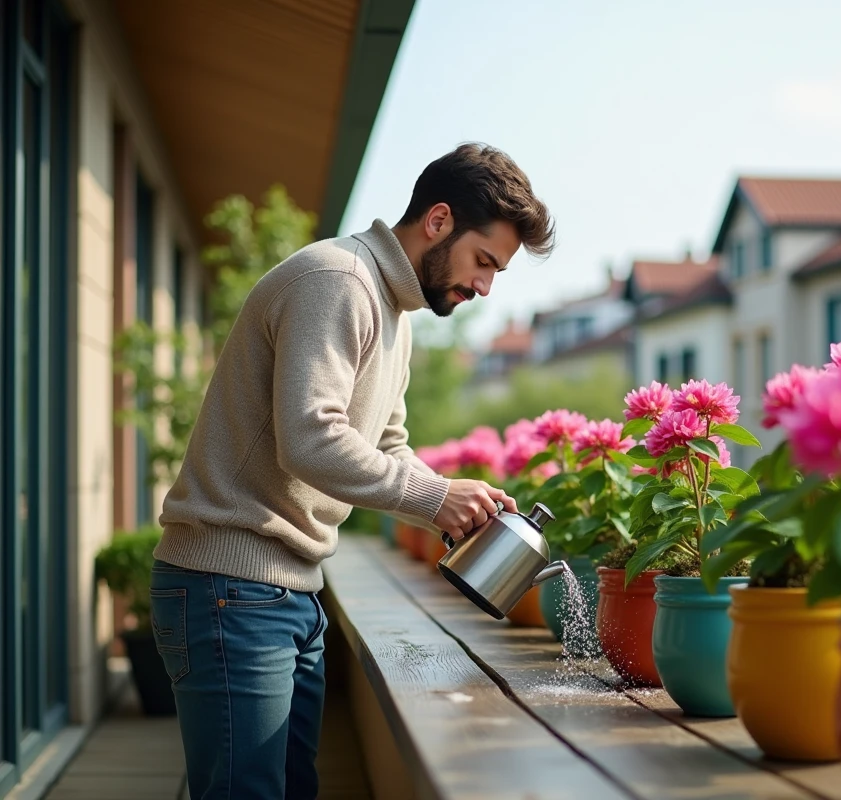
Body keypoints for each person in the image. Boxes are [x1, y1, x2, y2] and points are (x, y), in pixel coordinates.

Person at [149, 143, 555, 800]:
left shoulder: (395, 313)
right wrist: (432, 497)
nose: (484, 287)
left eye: (497, 273)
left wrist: (458, 503)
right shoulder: (338, 281)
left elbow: (388, 446)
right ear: (439, 220)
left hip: (286, 592)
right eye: (484, 261)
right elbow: (309, 439)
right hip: (230, 586)